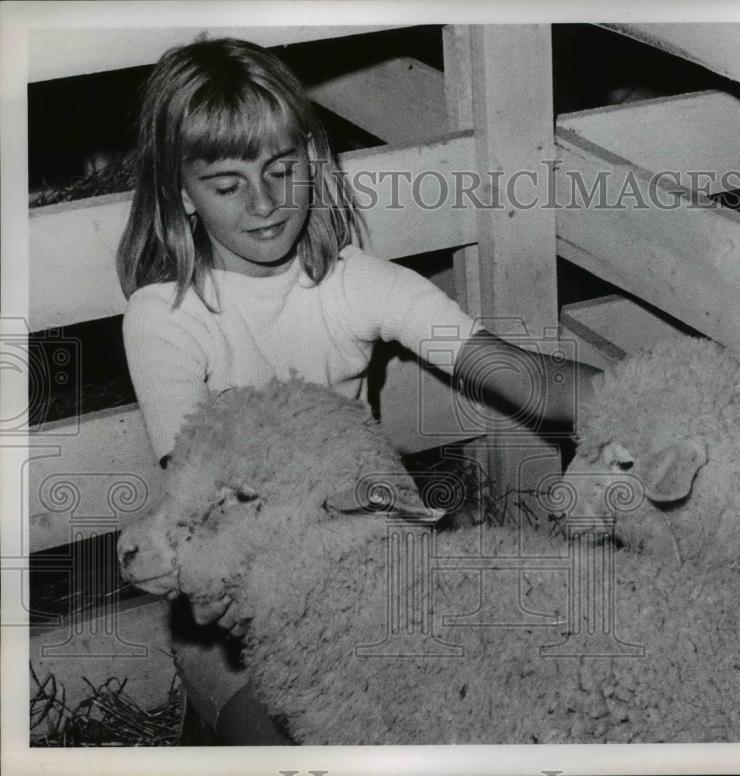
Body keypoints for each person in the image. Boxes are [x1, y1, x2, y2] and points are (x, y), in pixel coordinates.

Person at [116, 37, 600, 744]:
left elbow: (513, 373)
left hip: (375, 564)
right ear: (179, 194)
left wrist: (648, 405)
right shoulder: (166, 318)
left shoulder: (354, 284)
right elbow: (199, 497)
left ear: (312, 161)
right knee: (284, 740)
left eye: (282, 169)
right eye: (227, 185)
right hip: (247, 593)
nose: (265, 203)